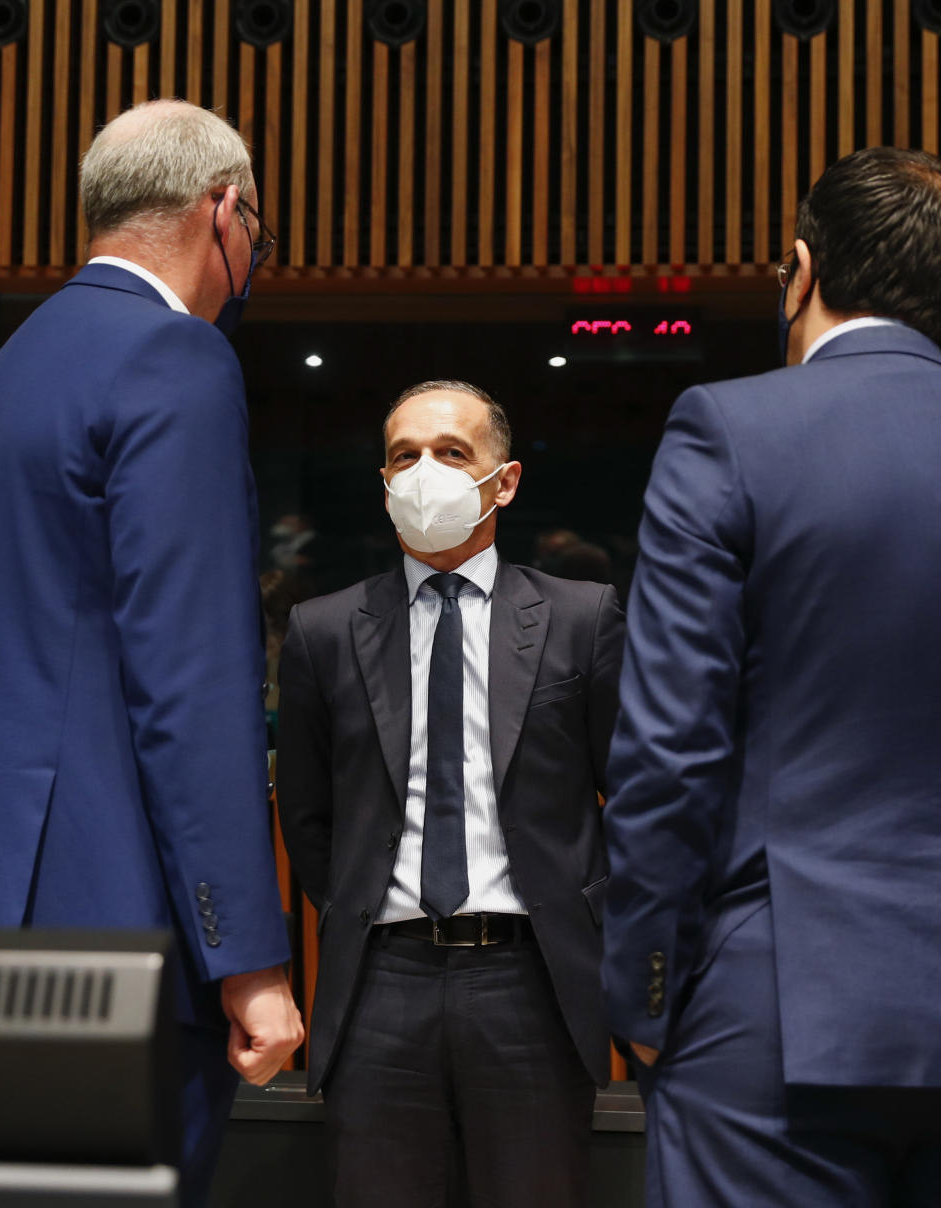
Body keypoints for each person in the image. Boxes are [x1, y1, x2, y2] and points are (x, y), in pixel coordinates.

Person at [602, 145, 941, 1206]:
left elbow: (670, 749)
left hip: (780, 999)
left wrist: (646, 995)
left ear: (798, 272)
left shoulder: (733, 429)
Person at [0, 100, 303, 1206]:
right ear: (224, 210)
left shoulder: (8, 367)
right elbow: (193, 675)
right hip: (106, 937)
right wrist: (251, 961)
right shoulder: (175, 356)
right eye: (259, 227)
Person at [276, 380, 625, 1207]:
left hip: (532, 979)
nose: (423, 472)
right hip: (380, 983)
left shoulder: (581, 617)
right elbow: (309, 817)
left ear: (502, 481)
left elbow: (632, 799)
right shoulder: (323, 629)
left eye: (450, 453)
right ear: (386, 481)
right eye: (405, 456)